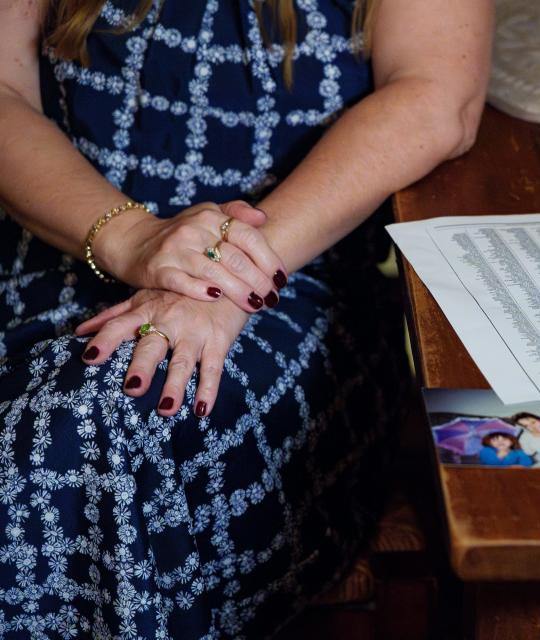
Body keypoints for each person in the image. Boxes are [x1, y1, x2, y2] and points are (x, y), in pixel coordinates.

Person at [0, 1, 494, 636]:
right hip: (59, 256)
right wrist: (133, 239)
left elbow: (436, 95)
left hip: (298, 274)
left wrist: (228, 277)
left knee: (118, 407)